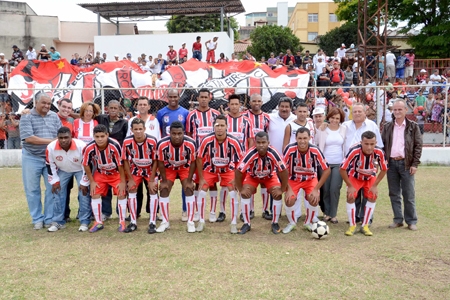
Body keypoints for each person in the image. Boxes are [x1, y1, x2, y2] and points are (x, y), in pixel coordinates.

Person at [20, 93, 62, 229]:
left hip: (50, 158)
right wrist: (53, 141)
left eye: (49, 104)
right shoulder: (26, 116)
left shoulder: (54, 116)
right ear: (35, 102)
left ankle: (49, 218)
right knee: (32, 189)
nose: (47, 106)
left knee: (51, 188)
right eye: (44, 103)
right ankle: (37, 218)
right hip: (31, 156)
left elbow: (60, 135)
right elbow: (29, 138)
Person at [235, 131, 289, 234]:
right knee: (245, 193)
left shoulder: (273, 152)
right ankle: (247, 223)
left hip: (269, 176)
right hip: (253, 176)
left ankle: (275, 222)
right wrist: (240, 188)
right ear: (255, 143)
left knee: (276, 194)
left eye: (263, 142)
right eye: (258, 142)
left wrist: (282, 189)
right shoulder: (251, 153)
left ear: (268, 142)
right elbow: (238, 171)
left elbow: (284, 171)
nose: (261, 145)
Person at [196, 115, 243, 233]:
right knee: (202, 191)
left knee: (232, 193)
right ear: (214, 126)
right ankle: (201, 221)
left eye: (222, 125)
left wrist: (237, 179)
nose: (220, 128)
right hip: (210, 170)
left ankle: (233, 223)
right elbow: (199, 158)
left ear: (227, 126)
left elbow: (239, 162)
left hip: (227, 170)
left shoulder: (234, 141)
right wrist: (201, 178)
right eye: (217, 125)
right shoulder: (206, 140)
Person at [381, 100, 422, 231]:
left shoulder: (413, 126)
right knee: (394, 193)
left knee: (408, 193)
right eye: (395, 109)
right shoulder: (387, 126)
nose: (397, 112)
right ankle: (398, 219)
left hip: (406, 164)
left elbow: (418, 146)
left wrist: (414, 164)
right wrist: (383, 162)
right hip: (391, 164)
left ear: (406, 110)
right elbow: (382, 146)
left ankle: (411, 221)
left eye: (400, 109)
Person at [283, 127, 330, 233]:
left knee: (314, 198)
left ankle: (308, 222)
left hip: (310, 179)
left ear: (310, 138)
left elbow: (327, 170)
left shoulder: (315, 149)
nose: (302, 141)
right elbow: (282, 170)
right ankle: (292, 223)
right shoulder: (290, 149)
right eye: (299, 138)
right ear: (296, 138)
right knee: (290, 199)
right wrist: (288, 188)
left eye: (305, 138)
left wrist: (316, 188)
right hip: (294, 179)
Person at [340, 131, 388, 236]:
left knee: (373, 196)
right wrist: (350, 186)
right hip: (355, 177)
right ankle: (352, 225)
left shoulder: (379, 152)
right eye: (366, 144)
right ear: (361, 142)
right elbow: (342, 169)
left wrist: (375, 185)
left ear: (376, 143)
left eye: (372, 144)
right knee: (351, 196)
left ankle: (365, 225)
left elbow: (384, 169)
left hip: (370, 177)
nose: (369, 147)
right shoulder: (354, 151)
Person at [82, 124, 127, 233]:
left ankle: (122, 221)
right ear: (93, 136)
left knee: (121, 193)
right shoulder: (89, 147)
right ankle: (98, 222)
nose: (100, 139)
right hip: (101, 173)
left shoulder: (114, 145)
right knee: (95, 193)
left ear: (107, 135)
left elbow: (121, 164)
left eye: (102, 136)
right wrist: (91, 181)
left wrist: (122, 181)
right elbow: (86, 164)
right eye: (97, 136)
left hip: (115, 173)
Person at [46, 127, 91, 232]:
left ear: (71, 137)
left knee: (83, 192)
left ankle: (84, 221)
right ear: (57, 138)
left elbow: (87, 164)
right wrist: (54, 181)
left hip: (81, 169)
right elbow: (49, 165)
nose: (63, 140)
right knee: (57, 191)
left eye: (66, 137)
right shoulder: (51, 147)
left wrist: (84, 182)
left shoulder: (81, 146)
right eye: (60, 138)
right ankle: (58, 221)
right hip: (63, 170)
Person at [155, 121, 197, 233]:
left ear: (184, 132)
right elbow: (160, 162)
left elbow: (193, 162)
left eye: (179, 133)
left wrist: (189, 180)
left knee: (189, 189)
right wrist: (163, 181)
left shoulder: (191, 143)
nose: (177, 136)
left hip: (185, 167)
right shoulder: (162, 143)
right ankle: (165, 222)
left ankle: (190, 222)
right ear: (169, 133)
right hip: (169, 168)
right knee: (164, 189)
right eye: (174, 133)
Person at [186, 88, 221, 221]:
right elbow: (189, 135)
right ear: (198, 98)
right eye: (201, 97)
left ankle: (212, 212)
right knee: (197, 182)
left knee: (212, 182)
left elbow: (220, 132)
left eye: (206, 97)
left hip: (212, 155)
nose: (204, 99)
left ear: (209, 98)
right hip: (197, 155)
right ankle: (196, 211)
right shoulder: (192, 115)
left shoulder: (215, 114)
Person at [122, 118, 158, 233]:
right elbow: (125, 161)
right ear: (131, 130)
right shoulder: (127, 142)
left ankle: (152, 222)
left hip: (150, 170)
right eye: (135, 129)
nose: (138, 131)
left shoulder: (152, 141)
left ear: (145, 129)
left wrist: (152, 179)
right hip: (135, 170)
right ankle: (133, 222)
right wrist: (130, 179)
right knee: (132, 190)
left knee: (153, 191)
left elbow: (156, 160)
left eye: (140, 129)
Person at [95, 100, 128, 219]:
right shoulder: (101, 118)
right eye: (111, 108)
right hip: (103, 156)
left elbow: (125, 139)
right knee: (105, 186)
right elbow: (85, 114)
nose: (113, 110)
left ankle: (121, 213)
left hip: (117, 157)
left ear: (119, 109)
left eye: (116, 108)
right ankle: (106, 212)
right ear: (107, 108)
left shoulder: (124, 123)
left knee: (119, 185)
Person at [315, 108, 346, 224]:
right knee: (326, 189)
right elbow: (316, 143)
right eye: (332, 118)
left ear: (340, 119)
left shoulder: (344, 129)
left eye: (337, 118)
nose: (334, 120)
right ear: (329, 118)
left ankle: (333, 214)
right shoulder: (322, 129)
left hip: (339, 163)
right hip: (325, 164)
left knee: (334, 188)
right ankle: (326, 213)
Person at [242, 93, 271, 220]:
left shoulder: (266, 118)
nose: (257, 103)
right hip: (249, 155)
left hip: (263, 155)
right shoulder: (244, 116)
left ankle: (265, 210)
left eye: (259, 100)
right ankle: (251, 210)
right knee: (250, 182)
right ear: (250, 102)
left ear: (262, 102)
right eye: (254, 101)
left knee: (264, 181)